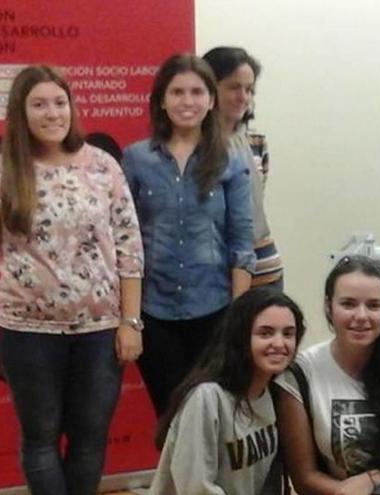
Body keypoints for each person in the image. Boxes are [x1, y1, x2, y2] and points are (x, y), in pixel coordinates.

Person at [0, 65, 144, 495]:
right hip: (26, 331)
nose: (52, 113)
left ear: (72, 107)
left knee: (90, 438)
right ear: (22, 112)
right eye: (38, 104)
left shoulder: (102, 166)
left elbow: (130, 245)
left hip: (99, 331)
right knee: (39, 439)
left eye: (59, 102)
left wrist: (130, 323)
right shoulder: (2, 171)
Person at [121, 53, 255, 417]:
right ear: (161, 100)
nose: (187, 101)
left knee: (212, 416)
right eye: (177, 92)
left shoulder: (231, 163)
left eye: (197, 92)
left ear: (211, 100)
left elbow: (242, 245)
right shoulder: (136, 160)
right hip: (154, 312)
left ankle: (205, 478)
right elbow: (125, 240)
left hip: (214, 311)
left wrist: (237, 321)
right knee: (170, 418)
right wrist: (129, 319)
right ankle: (177, 477)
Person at [275, 255, 380, 494]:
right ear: (328, 306)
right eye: (348, 304)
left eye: (374, 305)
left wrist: (374, 479)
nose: (361, 316)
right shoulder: (301, 372)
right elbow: (305, 478)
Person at [150, 287, 306, 494]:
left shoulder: (274, 392)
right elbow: (195, 489)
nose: (279, 343)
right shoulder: (207, 398)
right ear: (241, 337)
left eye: (288, 334)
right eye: (265, 333)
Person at [204, 46, 283, 289]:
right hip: (214, 274)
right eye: (234, 87)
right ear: (210, 88)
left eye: (249, 90)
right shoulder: (190, 149)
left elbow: (252, 212)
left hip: (265, 267)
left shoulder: (257, 143)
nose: (243, 97)